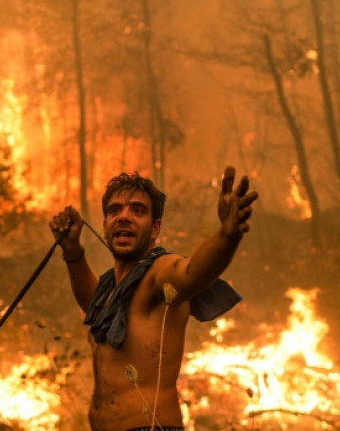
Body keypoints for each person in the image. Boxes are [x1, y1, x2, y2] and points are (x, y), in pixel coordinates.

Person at [49, 166, 258, 431]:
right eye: (115, 210)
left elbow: (191, 274)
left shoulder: (159, 272)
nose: (123, 217)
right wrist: (73, 251)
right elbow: (93, 306)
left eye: (137, 210)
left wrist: (228, 235)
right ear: (104, 225)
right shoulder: (110, 289)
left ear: (155, 228)